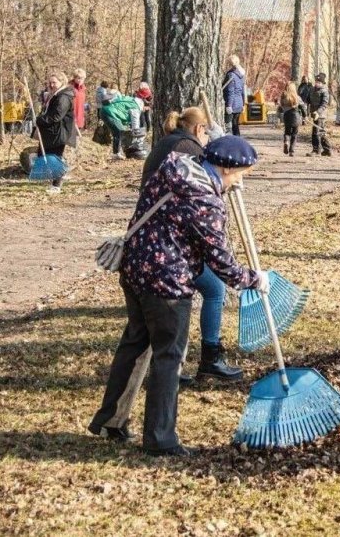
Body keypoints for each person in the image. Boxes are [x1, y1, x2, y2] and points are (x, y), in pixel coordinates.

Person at [89, 136, 271, 457]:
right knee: (168, 357)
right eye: (241, 173)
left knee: (135, 342)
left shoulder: (174, 168)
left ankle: (110, 420)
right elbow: (222, 264)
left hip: (134, 268)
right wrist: (256, 279)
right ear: (226, 167)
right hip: (167, 282)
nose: (242, 180)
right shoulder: (204, 200)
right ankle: (161, 439)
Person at [35, 71, 76, 194]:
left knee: (54, 157)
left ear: (61, 82)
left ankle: (56, 185)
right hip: (53, 131)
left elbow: (56, 116)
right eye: (50, 82)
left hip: (59, 131)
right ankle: (61, 173)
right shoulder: (55, 94)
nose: (51, 85)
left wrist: (40, 120)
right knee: (43, 154)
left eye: (54, 82)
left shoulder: (63, 97)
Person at [100, 84, 141, 159]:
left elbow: (122, 111)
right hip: (109, 113)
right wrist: (137, 133)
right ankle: (116, 154)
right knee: (118, 132)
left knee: (119, 131)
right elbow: (135, 123)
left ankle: (118, 152)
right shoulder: (135, 107)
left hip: (105, 111)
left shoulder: (130, 100)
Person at [307, 72, 331, 157]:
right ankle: (327, 150)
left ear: (322, 83)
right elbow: (308, 101)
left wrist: (318, 112)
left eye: (319, 82)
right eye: (316, 82)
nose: (317, 84)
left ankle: (316, 150)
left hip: (321, 115)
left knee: (316, 132)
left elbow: (324, 104)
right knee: (320, 132)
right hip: (314, 114)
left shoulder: (324, 91)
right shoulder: (312, 89)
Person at [222, 55, 247, 136]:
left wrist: (229, 105)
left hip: (232, 104)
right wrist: (243, 103)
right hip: (239, 103)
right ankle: (238, 141)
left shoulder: (230, 75)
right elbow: (243, 91)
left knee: (230, 127)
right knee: (235, 126)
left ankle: (233, 143)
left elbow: (230, 91)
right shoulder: (241, 75)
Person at [280, 82, 305, 156]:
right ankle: (291, 151)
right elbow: (303, 107)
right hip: (295, 117)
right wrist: (304, 115)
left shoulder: (283, 97)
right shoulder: (297, 97)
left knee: (287, 132)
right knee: (294, 134)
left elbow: (281, 107)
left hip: (287, 117)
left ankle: (286, 141)